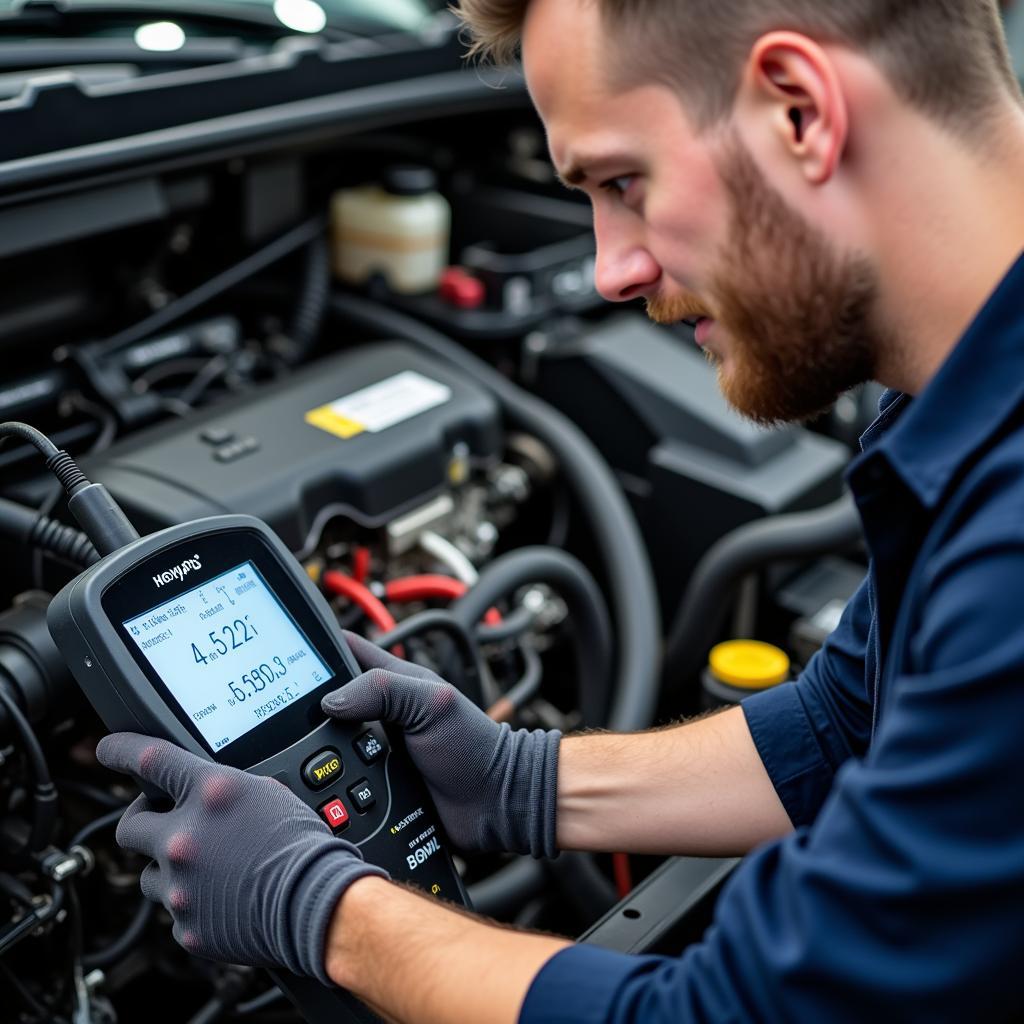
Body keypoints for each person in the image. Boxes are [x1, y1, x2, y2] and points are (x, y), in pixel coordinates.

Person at [95, 0, 1024, 1020]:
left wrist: (320, 909)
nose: (610, 268)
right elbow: (850, 718)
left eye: (624, 183)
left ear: (799, 111)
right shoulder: (956, 393)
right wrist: (520, 783)